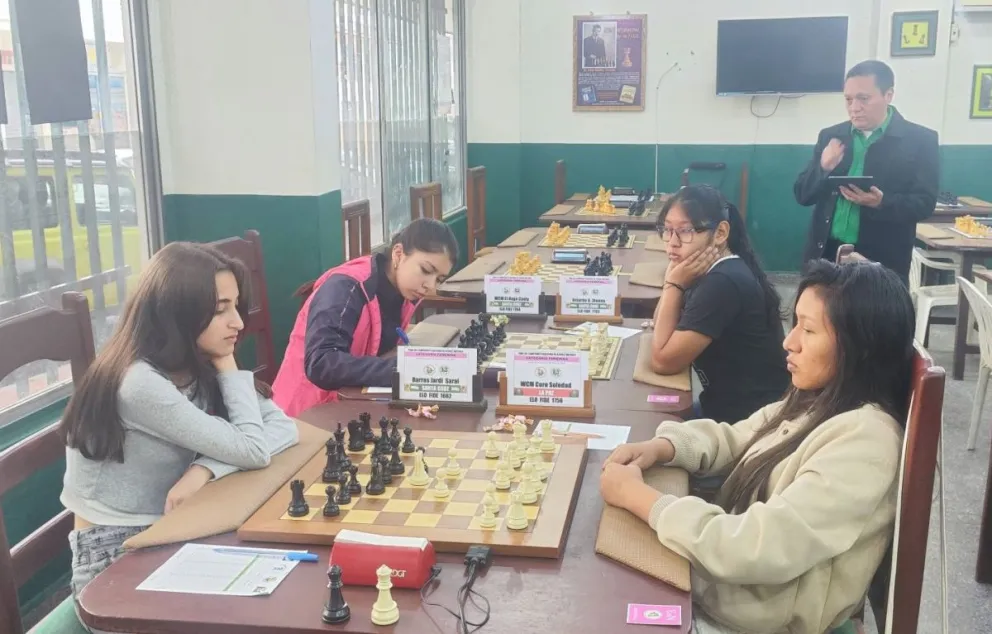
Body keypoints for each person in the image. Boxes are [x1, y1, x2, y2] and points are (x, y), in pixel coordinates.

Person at [602, 260, 915, 634]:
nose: (789, 341)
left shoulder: (866, 441)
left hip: (751, 620)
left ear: (859, 348)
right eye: (794, 322)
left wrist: (640, 499)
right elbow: (738, 436)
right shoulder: (819, 397)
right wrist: (664, 447)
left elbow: (754, 547)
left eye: (809, 330)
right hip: (722, 589)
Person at [59, 242, 300, 604]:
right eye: (221, 310)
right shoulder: (139, 383)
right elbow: (253, 449)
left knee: (283, 591)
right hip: (115, 556)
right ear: (178, 314)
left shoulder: (196, 358)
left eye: (236, 306)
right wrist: (229, 366)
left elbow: (283, 428)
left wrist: (204, 469)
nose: (238, 322)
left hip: (175, 527)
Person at [272, 218, 458, 417]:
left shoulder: (405, 292)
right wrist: (400, 369)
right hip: (303, 417)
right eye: (426, 270)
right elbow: (321, 363)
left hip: (349, 406)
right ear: (398, 254)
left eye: (439, 279)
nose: (431, 286)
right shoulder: (346, 287)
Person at [650, 184, 789, 424]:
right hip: (731, 410)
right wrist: (674, 284)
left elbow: (663, 361)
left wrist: (672, 285)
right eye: (667, 230)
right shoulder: (711, 271)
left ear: (721, 233)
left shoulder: (723, 283)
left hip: (746, 424)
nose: (672, 242)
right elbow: (660, 324)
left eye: (685, 231)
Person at [794, 59, 939, 282]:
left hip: (881, 262)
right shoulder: (831, 136)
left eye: (864, 98)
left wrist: (881, 202)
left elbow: (924, 204)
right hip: (826, 255)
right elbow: (802, 195)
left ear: (888, 95)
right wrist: (823, 168)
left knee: (871, 318)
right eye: (849, 99)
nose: (854, 108)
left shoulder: (920, 141)